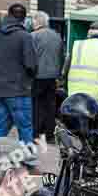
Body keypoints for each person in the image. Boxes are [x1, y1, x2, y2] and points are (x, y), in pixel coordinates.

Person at [0, 3, 37, 144]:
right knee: (25, 129)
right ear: (23, 18)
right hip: (19, 90)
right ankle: (27, 163)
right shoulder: (25, 36)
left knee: (0, 129)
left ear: (8, 14)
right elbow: (31, 65)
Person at [30, 11, 63, 143]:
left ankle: (36, 133)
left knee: (36, 105)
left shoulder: (33, 36)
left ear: (38, 22)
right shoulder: (57, 36)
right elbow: (61, 55)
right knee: (50, 105)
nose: (32, 23)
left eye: (33, 21)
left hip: (38, 76)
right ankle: (49, 134)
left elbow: (30, 57)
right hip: (52, 76)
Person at [64, 22, 98, 108]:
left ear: (89, 33)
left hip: (74, 93)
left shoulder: (77, 45)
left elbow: (66, 68)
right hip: (97, 96)